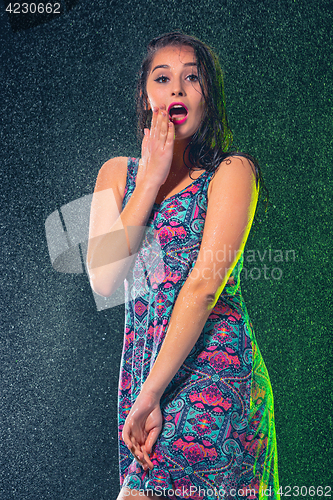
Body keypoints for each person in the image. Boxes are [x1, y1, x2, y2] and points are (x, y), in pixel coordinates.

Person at [87, 31, 279, 500]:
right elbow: (104, 278)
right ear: (145, 95)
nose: (176, 89)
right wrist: (150, 177)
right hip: (144, 382)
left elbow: (202, 290)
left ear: (206, 97)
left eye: (191, 79)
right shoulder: (117, 173)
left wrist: (151, 393)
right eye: (163, 78)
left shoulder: (233, 173)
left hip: (212, 376)